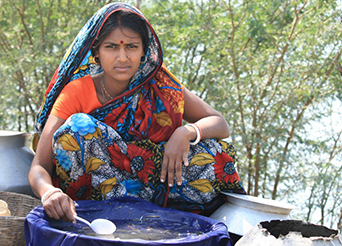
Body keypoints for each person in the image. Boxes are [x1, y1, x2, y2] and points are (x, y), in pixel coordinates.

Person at [28, 2, 245, 223]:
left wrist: (186, 132)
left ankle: (155, 215)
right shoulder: (77, 92)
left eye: (131, 46)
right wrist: (49, 192)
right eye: (111, 47)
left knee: (214, 150)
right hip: (101, 196)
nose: (122, 57)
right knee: (76, 128)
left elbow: (219, 123)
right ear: (96, 52)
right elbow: (39, 167)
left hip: (157, 187)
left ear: (144, 51)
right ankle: (117, 215)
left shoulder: (158, 82)